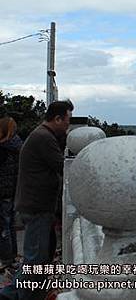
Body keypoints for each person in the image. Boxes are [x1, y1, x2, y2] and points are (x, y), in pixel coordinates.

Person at [0, 101, 73, 300]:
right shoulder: (43, 138)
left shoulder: (43, 135)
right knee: (35, 258)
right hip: (36, 207)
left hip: (37, 206)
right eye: (67, 120)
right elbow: (63, 167)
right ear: (57, 119)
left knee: (42, 255)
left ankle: (15, 293)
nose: (68, 124)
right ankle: (21, 295)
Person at [0, 118, 22, 273]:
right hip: (12, 191)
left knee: (3, 226)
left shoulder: (2, 148)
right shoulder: (17, 146)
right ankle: (12, 257)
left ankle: (7, 259)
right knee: (10, 225)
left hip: (2, 192)